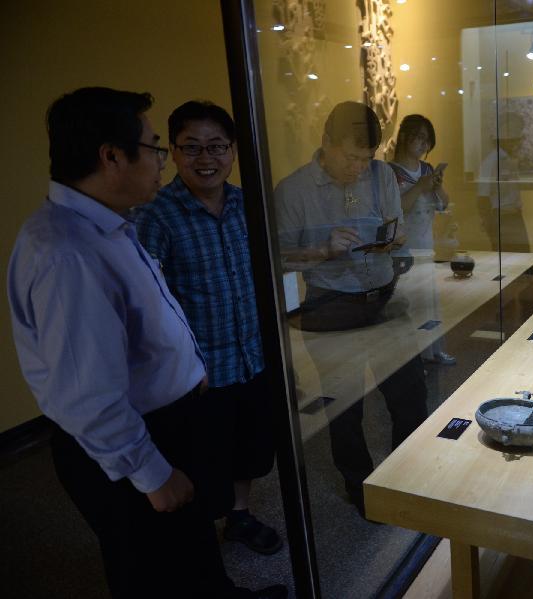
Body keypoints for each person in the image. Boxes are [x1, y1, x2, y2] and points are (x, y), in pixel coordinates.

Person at [7, 87, 285, 599]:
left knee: (189, 545)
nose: (165, 162)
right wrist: (151, 472)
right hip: (137, 437)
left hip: (175, 416)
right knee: (148, 566)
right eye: (159, 148)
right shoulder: (68, 252)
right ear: (112, 156)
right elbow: (85, 393)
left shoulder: (110, 225)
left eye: (217, 146)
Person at [133, 101, 282, 555]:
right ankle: (198, 545)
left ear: (233, 151)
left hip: (252, 355)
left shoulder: (246, 203)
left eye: (217, 147)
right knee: (201, 461)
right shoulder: (156, 213)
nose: (206, 159)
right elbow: (147, 298)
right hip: (198, 372)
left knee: (250, 450)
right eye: (192, 147)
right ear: (173, 154)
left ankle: (240, 515)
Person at [274, 101, 428, 517]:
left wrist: (392, 241)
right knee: (344, 406)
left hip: (383, 295)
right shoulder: (292, 191)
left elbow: (397, 223)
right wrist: (321, 250)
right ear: (326, 143)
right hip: (329, 303)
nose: (359, 167)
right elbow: (278, 258)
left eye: (367, 158)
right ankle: (360, 490)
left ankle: (408, 480)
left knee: (410, 392)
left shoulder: (382, 176)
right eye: (351, 157)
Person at [389, 114, 456, 366]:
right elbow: (394, 210)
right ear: (404, 137)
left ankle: (433, 349)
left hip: (426, 243)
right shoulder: (390, 172)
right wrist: (420, 187)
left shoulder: (426, 169)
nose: (423, 145)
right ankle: (412, 359)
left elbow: (443, 203)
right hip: (402, 248)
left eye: (427, 141)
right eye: (419, 138)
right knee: (408, 303)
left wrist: (436, 186)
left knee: (429, 299)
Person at [477, 112, 531, 253]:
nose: (518, 141)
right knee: (508, 259)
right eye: (515, 137)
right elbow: (483, 197)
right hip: (502, 218)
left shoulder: (508, 160)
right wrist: (490, 226)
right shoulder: (492, 162)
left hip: (514, 216)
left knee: (523, 257)